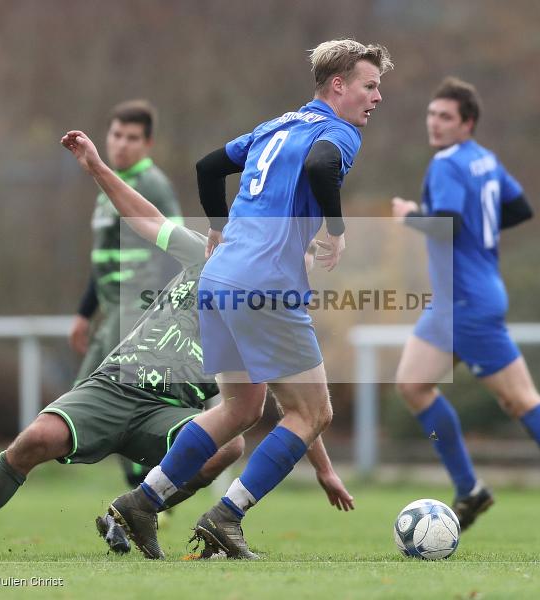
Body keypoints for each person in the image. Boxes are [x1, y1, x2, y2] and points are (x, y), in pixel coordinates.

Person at [0, 130, 353, 560]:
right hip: (117, 385)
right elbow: (147, 219)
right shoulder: (207, 253)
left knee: (229, 446)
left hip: (168, 411)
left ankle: (139, 511)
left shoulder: (275, 312)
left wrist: (324, 468)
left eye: (304, 256)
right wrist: (97, 167)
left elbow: (293, 404)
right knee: (35, 439)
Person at [105, 39, 393, 560]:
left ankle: (142, 502)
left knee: (241, 408)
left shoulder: (276, 126)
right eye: (369, 86)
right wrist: (338, 229)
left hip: (218, 281)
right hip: (265, 286)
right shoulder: (339, 131)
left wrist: (218, 228)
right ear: (337, 86)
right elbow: (323, 166)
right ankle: (226, 516)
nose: (376, 97)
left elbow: (207, 167)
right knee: (314, 413)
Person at [391, 76, 540, 539]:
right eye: (431, 115)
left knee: (518, 399)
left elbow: (448, 222)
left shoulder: (448, 163)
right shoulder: (485, 160)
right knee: (413, 385)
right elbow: (520, 208)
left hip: (467, 301)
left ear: (467, 123)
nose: (434, 124)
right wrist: (477, 233)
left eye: (445, 117)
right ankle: (469, 487)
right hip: (463, 296)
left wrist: (409, 216)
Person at [68, 100, 182, 489]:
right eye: (116, 135)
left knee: (89, 405)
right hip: (113, 308)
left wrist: (164, 313)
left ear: (148, 144)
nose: (121, 145)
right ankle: (147, 494)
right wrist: (85, 313)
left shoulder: (152, 186)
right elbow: (104, 260)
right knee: (98, 405)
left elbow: (177, 251)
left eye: (132, 138)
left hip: (138, 308)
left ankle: (149, 493)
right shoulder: (108, 187)